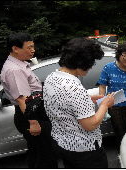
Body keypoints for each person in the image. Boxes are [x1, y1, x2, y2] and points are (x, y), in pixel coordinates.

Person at [43, 37, 115, 168]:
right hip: (84, 151)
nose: (91, 67)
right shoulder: (74, 88)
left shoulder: (51, 77)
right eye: (91, 63)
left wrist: (88, 98)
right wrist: (105, 105)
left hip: (62, 143)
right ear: (81, 62)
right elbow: (90, 124)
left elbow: (64, 101)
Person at [0, 32, 58, 168]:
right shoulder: (14, 70)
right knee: (43, 156)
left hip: (34, 112)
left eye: (33, 47)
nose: (33, 50)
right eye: (29, 47)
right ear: (15, 48)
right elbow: (22, 99)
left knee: (40, 152)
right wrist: (33, 122)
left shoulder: (20, 65)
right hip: (30, 114)